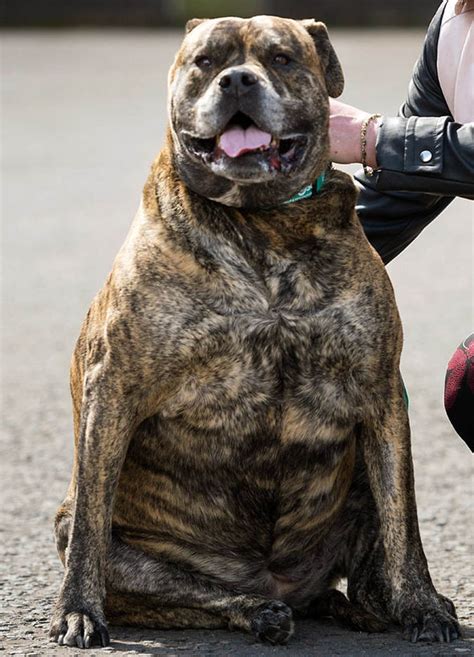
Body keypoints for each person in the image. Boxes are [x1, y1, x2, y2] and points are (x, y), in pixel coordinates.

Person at [328, 0, 473, 449]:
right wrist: (279, 268)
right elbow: (403, 191)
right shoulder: (455, 22)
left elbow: (401, 151)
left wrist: (369, 137)